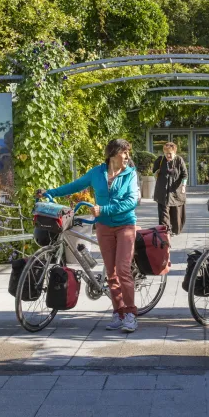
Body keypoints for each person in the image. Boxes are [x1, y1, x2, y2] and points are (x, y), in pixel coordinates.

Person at [38, 139, 140, 333]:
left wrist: (103, 209)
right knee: (111, 273)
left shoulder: (130, 174)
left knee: (124, 270)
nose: (127, 156)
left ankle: (131, 314)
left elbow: (131, 202)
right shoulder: (97, 172)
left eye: (128, 153)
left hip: (125, 225)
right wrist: (50, 193)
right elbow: (74, 186)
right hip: (104, 227)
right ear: (112, 154)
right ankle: (118, 313)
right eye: (124, 152)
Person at [152, 142, 188, 235]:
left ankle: (174, 231)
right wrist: (156, 173)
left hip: (176, 192)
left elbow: (185, 175)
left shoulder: (179, 160)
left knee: (176, 216)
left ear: (174, 152)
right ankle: (165, 233)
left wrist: (183, 186)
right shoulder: (160, 160)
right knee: (164, 215)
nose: (168, 155)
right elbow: (154, 172)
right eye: (166, 153)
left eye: (170, 153)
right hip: (163, 193)